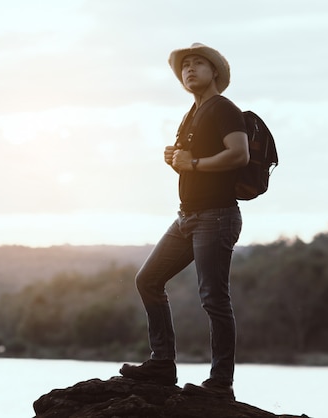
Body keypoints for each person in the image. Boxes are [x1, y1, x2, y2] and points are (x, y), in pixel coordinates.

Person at [119, 42, 249, 400]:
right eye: (185, 66)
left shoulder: (223, 108)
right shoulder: (191, 114)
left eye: (198, 64)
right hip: (187, 217)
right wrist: (176, 158)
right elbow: (191, 158)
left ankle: (221, 384)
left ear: (215, 72)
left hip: (217, 216)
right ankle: (162, 364)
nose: (189, 69)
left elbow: (239, 153)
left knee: (213, 299)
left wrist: (191, 164)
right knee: (148, 279)